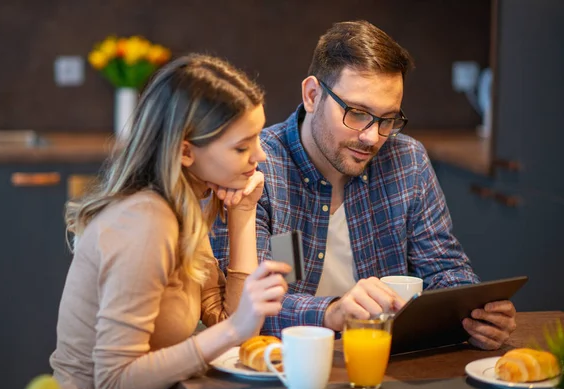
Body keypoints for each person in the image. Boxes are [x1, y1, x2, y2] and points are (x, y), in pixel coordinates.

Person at [211, 21, 516, 350]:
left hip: (386, 365)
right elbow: (240, 308)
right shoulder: (257, 168)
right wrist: (333, 312)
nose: (372, 137)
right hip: (284, 367)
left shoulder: (407, 161)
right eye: (357, 113)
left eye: (388, 119)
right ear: (312, 95)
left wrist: (477, 316)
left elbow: (445, 270)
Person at [50, 54, 290, 389]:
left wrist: (243, 214)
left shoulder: (185, 205)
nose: (260, 156)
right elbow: (113, 386)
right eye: (242, 146)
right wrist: (235, 329)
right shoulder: (146, 223)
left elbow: (228, 324)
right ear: (185, 152)